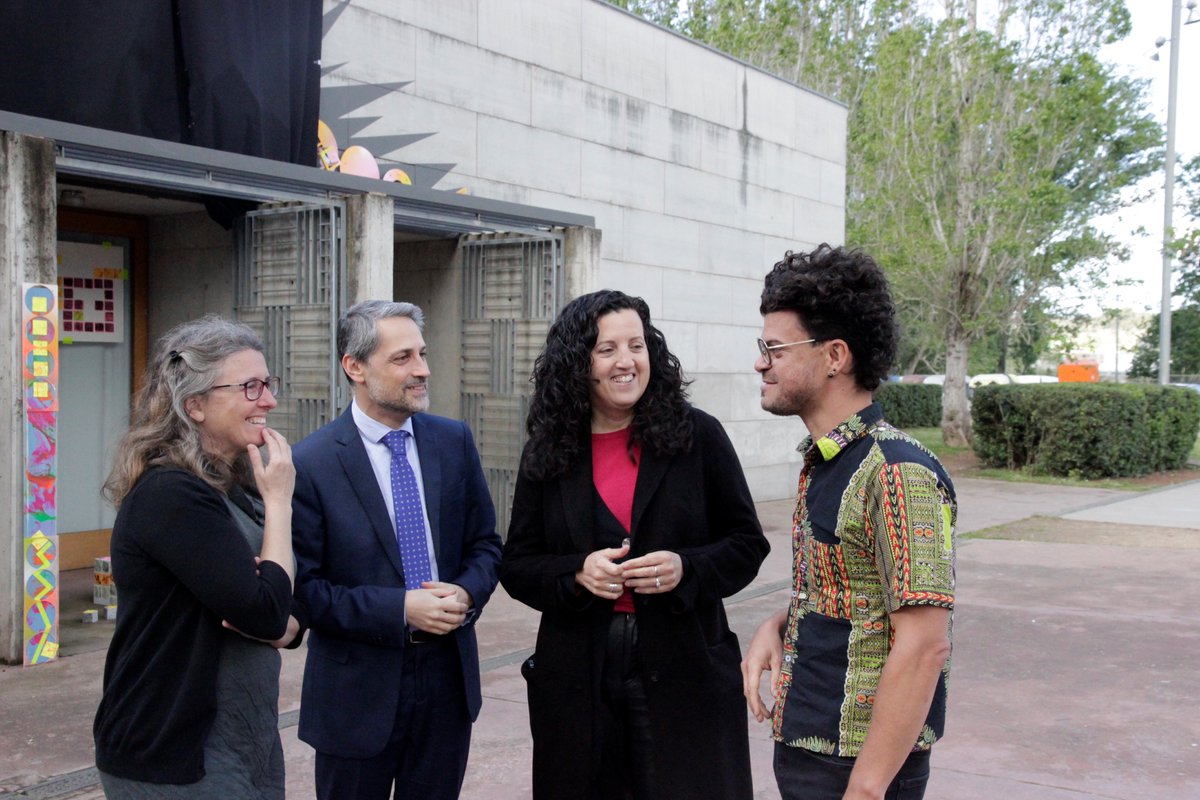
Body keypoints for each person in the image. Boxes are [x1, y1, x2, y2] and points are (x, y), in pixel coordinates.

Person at [500, 289, 770, 800]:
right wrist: (576, 573)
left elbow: (746, 544)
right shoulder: (549, 449)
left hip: (684, 668)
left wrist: (685, 568)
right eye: (607, 349)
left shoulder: (698, 436)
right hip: (578, 675)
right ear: (578, 363)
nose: (627, 361)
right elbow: (517, 564)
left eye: (637, 345)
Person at [741, 244, 957, 800]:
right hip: (809, 747)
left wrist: (865, 790)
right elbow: (855, 593)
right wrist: (780, 623)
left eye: (775, 349)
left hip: (858, 770)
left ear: (834, 355)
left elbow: (925, 644)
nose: (761, 362)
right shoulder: (832, 461)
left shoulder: (896, 471)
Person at [291, 299, 502, 800]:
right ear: (355, 366)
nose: (423, 370)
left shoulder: (454, 441)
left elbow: (486, 546)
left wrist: (467, 594)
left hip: (448, 681)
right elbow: (303, 590)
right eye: (403, 358)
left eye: (423, 354)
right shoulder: (312, 462)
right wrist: (400, 609)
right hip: (355, 694)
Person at [93, 316, 299, 798]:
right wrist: (280, 505)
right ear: (195, 406)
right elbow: (268, 608)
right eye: (250, 387)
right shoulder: (171, 494)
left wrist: (288, 621)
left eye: (268, 384)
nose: (268, 400)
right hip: (174, 750)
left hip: (244, 734)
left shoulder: (235, 484)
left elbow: (288, 593)